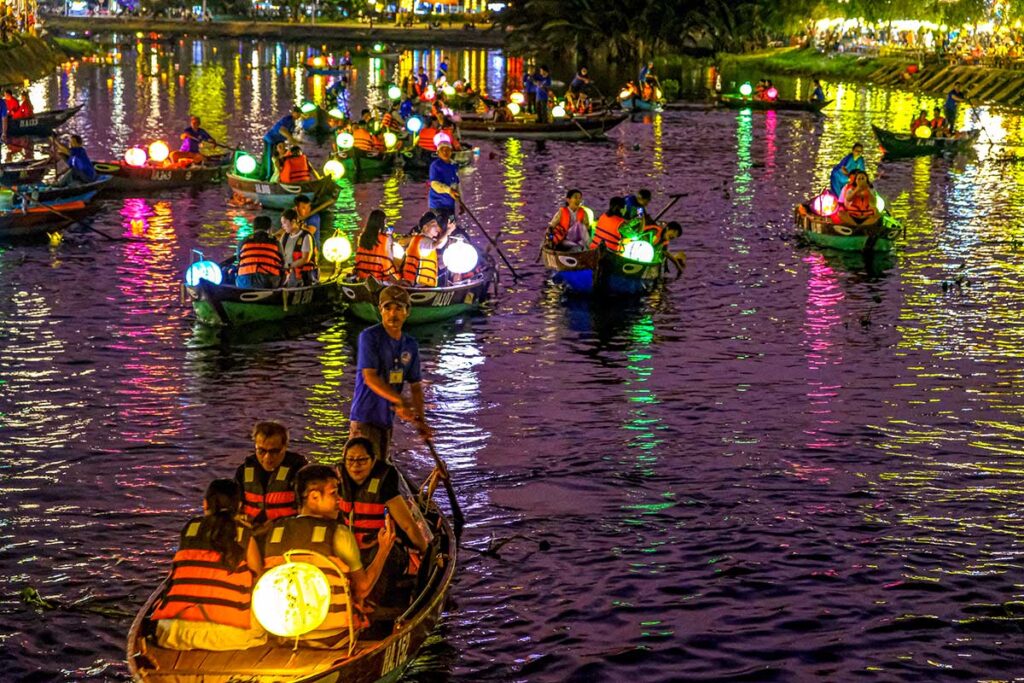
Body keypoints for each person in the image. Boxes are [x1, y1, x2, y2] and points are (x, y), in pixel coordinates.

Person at [263, 465, 394, 646]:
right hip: (333, 639)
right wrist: (384, 550)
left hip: (284, 637)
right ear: (314, 497)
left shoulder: (275, 533)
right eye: (333, 493)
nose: (339, 500)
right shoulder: (339, 533)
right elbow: (362, 588)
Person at [151, 479, 267, 651]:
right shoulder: (244, 534)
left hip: (174, 633)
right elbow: (259, 579)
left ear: (205, 503)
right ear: (240, 505)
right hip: (229, 636)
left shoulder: (189, 529)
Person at [338, 437, 431, 606]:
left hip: (381, 547)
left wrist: (426, 552)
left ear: (373, 460)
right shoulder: (338, 482)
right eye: (350, 460)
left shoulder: (384, 482)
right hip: (350, 549)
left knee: (373, 591)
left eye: (362, 460)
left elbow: (407, 525)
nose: (355, 466)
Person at [349, 284, 431, 460]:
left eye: (398, 308)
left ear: (407, 311)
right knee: (363, 466)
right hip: (365, 416)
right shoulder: (370, 337)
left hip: (386, 419)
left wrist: (421, 421)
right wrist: (399, 400)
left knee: (381, 466)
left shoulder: (410, 345)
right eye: (388, 308)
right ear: (380, 310)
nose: (393, 314)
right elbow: (370, 377)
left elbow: (416, 386)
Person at [234, 421, 308, 536]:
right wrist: (239, 517)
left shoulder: (299, 471)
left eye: (274, 451)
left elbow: (307, 511)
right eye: (261, 451)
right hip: (251, 532)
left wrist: (275, 524)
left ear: (284, 447)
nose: (267, 457)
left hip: (286, 533)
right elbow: (235, 505)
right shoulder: (243, 471)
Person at [402, 212, 456, 287]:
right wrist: (448, 231)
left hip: (418, 284)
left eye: (438, 225)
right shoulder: (423, 241)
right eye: (434, 224)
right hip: (420, 286)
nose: (438, 228)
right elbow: (438, 244)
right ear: (425, 227)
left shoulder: (419, 240)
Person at [236, 215, 285, 289]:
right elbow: (282, 262)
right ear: (269, 229)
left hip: (244, 282)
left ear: (253, 229)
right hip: (268, 282)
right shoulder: (275, 243)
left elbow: (239, 259)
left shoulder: (243, 242)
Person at [355, 209, 398, 281]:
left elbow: (358, 258)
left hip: (362, 275)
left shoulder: (362, 236)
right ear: (381, 223)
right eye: (385, 222)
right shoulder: (385, 239)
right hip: (378, 277)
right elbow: (389, 261)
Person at [262, 105, 303, 179]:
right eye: (298, 113)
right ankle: (268, 176)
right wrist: (290, 137)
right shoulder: (287, 119)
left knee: (280, 157)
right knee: (270, 157)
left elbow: (290, 136)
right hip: (270, 139)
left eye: (300, 114)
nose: (299, 115)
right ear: (293, 113)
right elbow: (281, 130)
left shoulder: (293, 124)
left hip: (279, 141)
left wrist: (297, 142)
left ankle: (278, 174)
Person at [279, 209, 317, 286]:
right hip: (288, 275)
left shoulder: (305, 236)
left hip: (303, 276)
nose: (282, 226)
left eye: (284, 223)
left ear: (293, 221)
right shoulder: (284, 237)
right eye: (282, 223)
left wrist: (288, 266)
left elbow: (305, 259)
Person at [428, 139, 460, 228]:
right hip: (438, 204)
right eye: (442, 150)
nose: (445, 152)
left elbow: (456, 184)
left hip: (450, 204)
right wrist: (449, 190)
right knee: (441, 227)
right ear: (438, 152)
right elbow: (434, 184)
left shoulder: (453, 165)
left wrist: (461, 203)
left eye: (447, 150)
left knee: (452, 225)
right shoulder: (435, 166)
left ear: (451, 151)